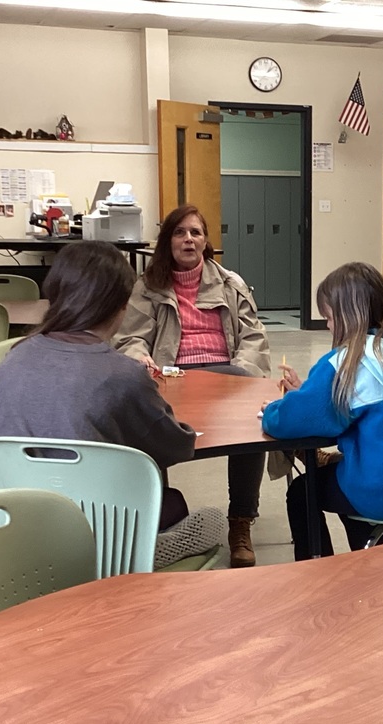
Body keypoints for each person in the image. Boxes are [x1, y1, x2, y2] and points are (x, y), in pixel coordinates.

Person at [0, 240, 198, 530]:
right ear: (121, 306)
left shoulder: (11, 360)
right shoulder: (124, 375)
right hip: (96, 548)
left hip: (2, 541)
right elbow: (177, 447)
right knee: (201, 518)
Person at [260, 262, 383, 560]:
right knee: (345, 483)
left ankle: (316, 572)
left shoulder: (344, 363)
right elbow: (361, 407)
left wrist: (275, 409)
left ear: (347, 315)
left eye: (328, 317)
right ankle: (375, 562)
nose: (327, 325)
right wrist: (307, 392)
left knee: (302, 492)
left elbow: (296, 419)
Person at [114, 204, 271, 568]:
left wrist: (244, 373)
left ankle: (241, 520)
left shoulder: (231, 283)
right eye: (180, 232)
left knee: (255, 422)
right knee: (139, 422)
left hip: (225, 377)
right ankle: (157, 516)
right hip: (172, 377)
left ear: (206, 242)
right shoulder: (147, 287)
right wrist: (140, 357)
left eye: (195, 233)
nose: (188, 239)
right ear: (167, 241)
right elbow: (130, 337)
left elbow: (253, 337)